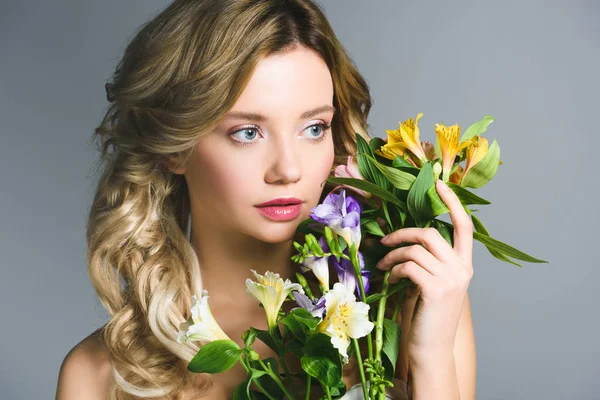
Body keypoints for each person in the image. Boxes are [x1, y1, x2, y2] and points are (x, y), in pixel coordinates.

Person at [55, 0, 476, 399]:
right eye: (248, 132)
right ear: (175, 147)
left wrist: (430, 357)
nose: (288, 170)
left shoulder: (407, 310)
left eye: (313, 128)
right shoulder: (100, 376)